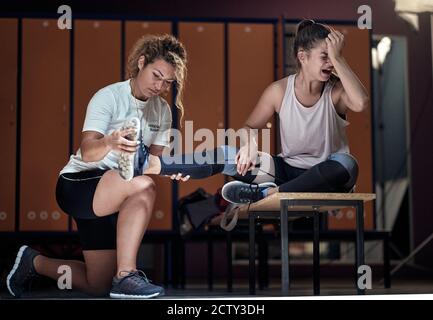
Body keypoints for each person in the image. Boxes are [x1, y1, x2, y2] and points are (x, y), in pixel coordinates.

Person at [6, 34, 188, 299]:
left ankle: (32, 262)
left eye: (168, 82)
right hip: (79, 184)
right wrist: (111, 142)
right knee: (144, 187)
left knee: (98, 284)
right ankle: (126, 275)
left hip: (112, 191)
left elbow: (152, 163)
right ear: (141, 63)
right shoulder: (109, 96)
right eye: (156, 75)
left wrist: (171, 170)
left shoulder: (162, 111)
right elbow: (89, 152)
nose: (160, 86)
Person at [130, 19, 369, 205]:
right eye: (325, 57)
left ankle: (270, 193)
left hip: (329, 177)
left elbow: (361, 103)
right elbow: (249, 128)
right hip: (289, 173)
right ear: (302, 57)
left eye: (335, 58)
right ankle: (153, 164)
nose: (331, 63)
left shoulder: (335, 91)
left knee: (347, 163)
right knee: (226, 154)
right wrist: (250, 144)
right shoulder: (279, 91)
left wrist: (338, 58)